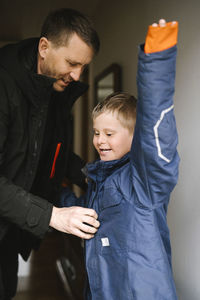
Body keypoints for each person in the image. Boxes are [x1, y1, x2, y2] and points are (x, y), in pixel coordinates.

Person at [60, 19, 180, 299]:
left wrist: (157, 60)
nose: (100, 140)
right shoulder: (101, 179)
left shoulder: (145, 180)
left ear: (135, 137)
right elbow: (87, 215)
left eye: (109, 133)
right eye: (96, 132)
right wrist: (61, 193)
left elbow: (155, 127)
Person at [0, 8, 101, 300]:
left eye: (83, 66)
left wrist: (95, 176)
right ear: (44, 47)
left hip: (9, 231)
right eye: (72, 63)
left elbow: (50, 152)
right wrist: (53, 216)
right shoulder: (4, 85)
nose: (77, 75)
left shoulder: (52, 91)